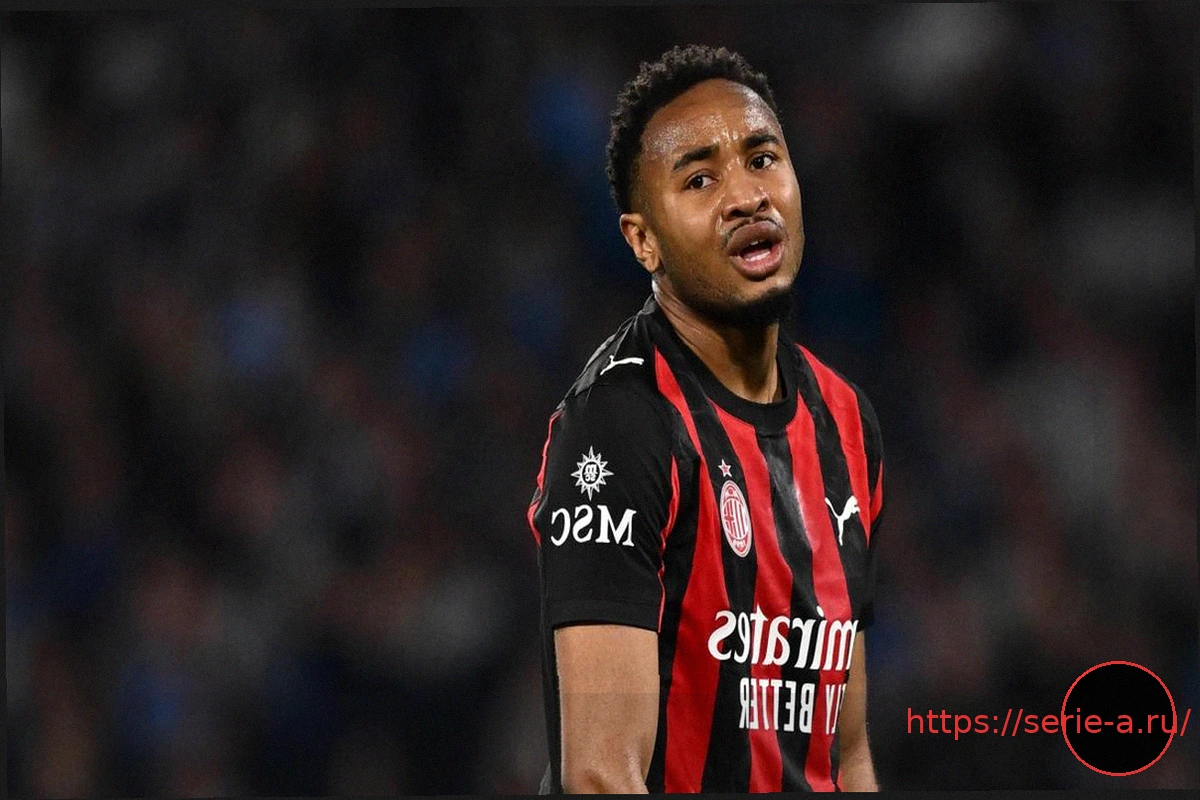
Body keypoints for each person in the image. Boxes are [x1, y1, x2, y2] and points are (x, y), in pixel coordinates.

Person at [527, 44, 883, 793]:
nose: (746, 196)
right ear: (642, 240)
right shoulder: (622, 424)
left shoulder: (846, 420)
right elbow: (601, 776)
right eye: (699, 179)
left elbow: (843, 754)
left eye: (762, 159)